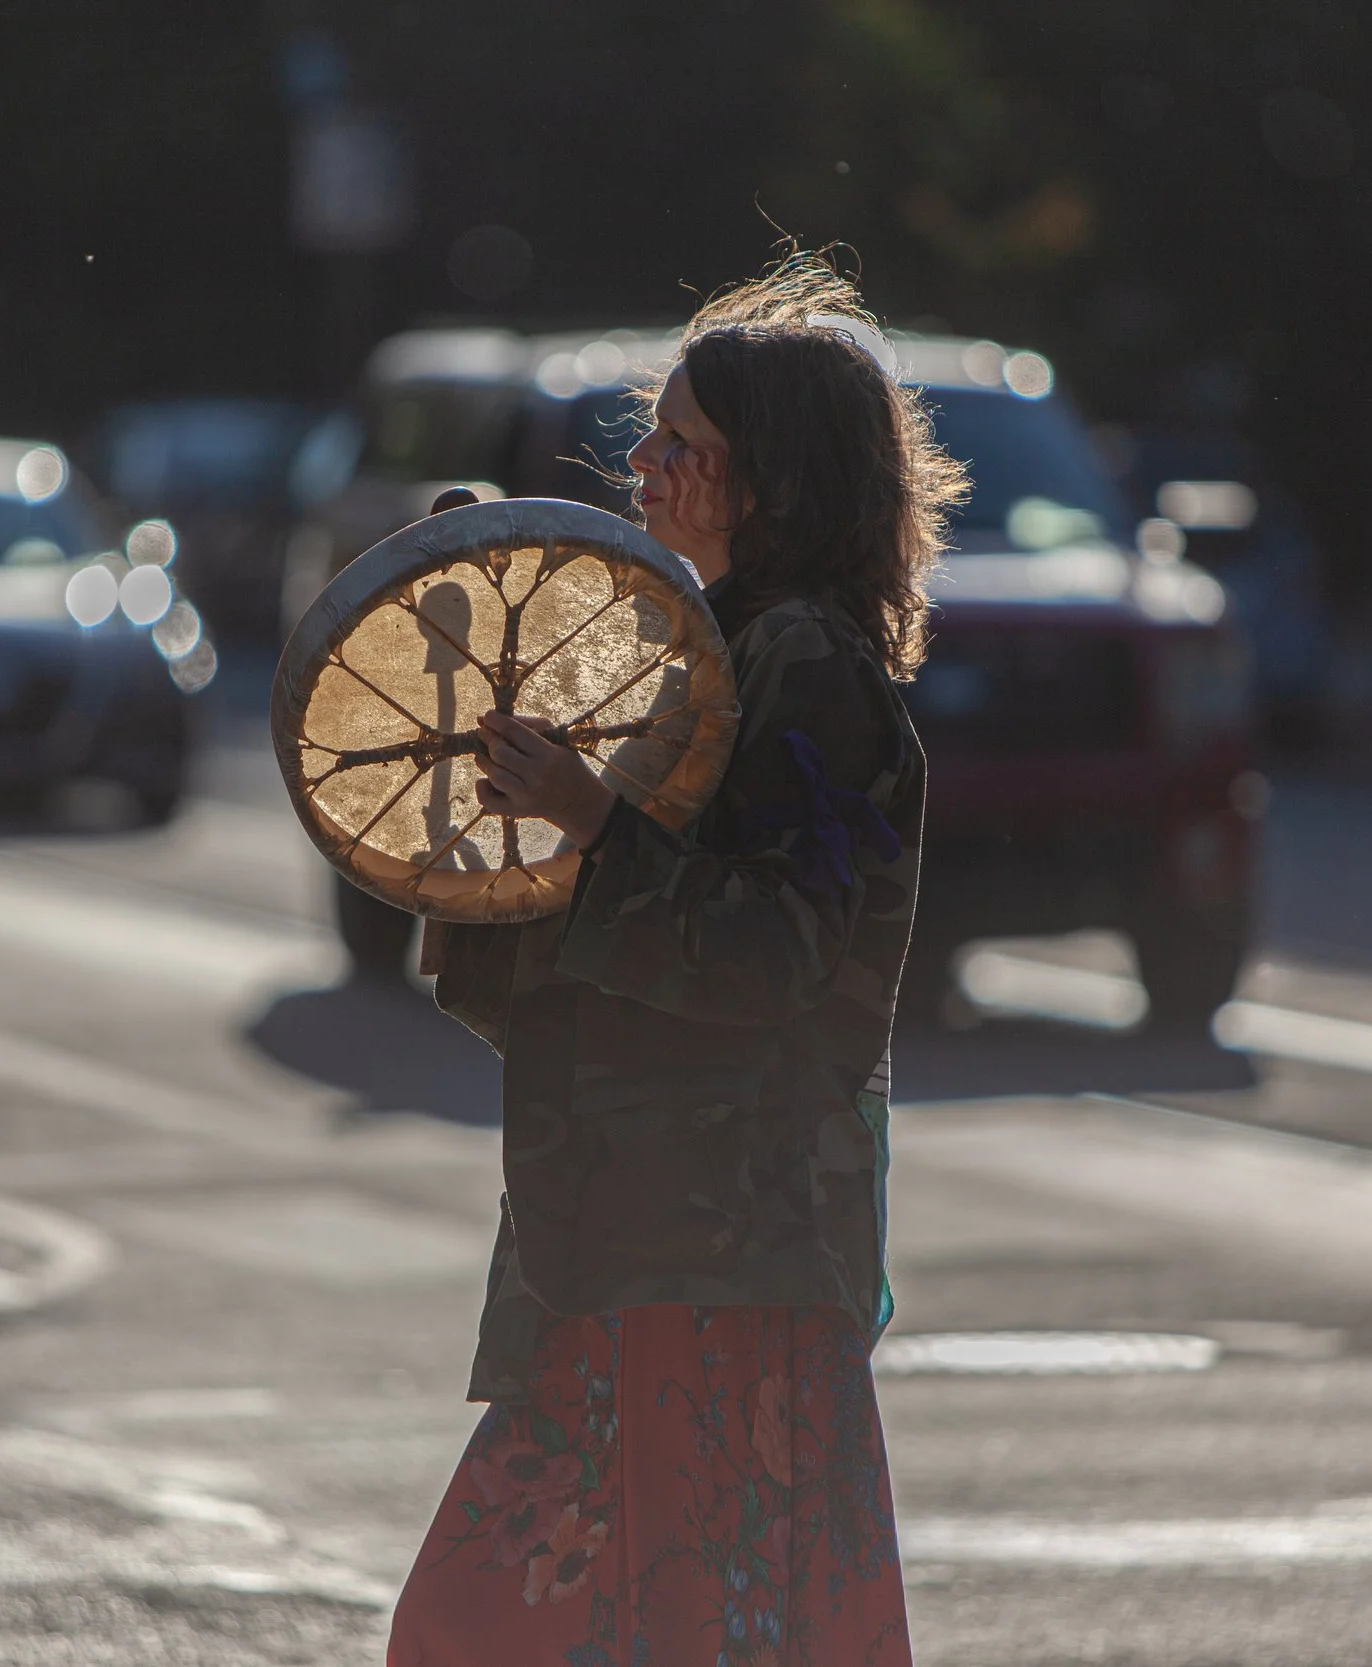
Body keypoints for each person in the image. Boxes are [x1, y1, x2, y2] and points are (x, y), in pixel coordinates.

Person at [386, 256, 954, 1665]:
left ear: (772, 479)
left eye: (682, 445)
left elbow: (780, 957)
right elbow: (563, 957)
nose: (642, 462)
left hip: (717, 1264)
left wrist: (586, 822)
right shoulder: (717, 646)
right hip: (645, 1252)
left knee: (515, 1635)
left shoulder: (803, 659)